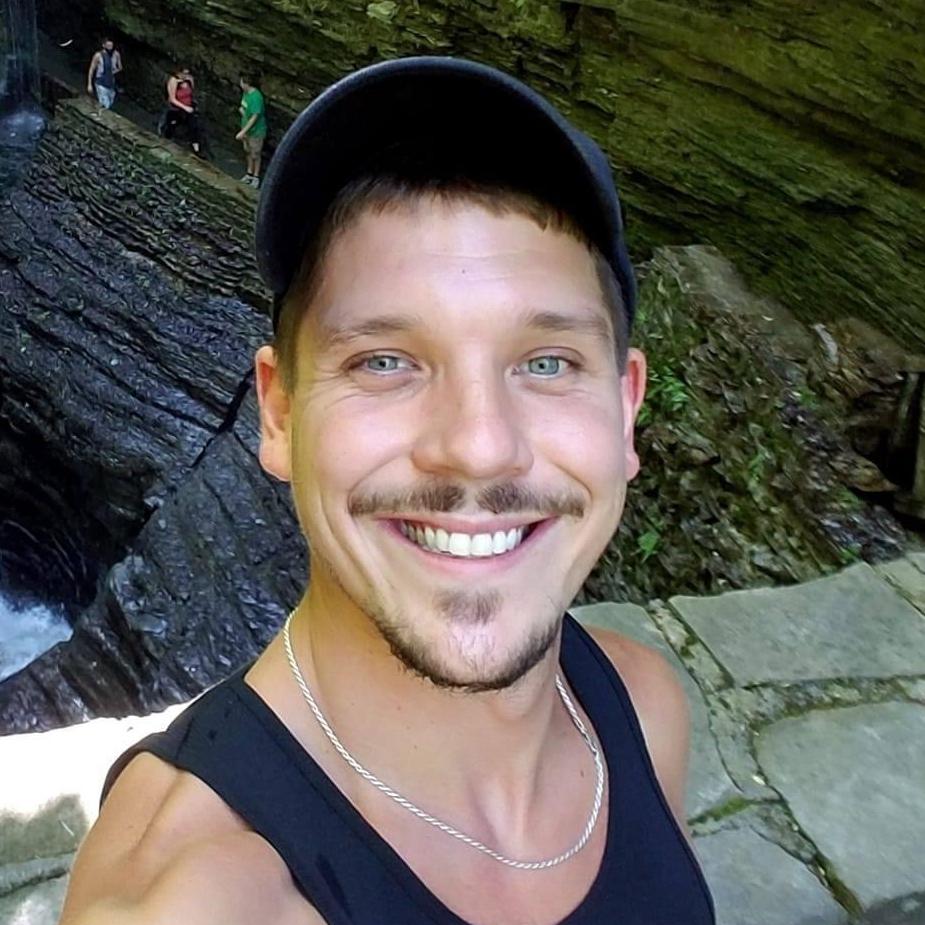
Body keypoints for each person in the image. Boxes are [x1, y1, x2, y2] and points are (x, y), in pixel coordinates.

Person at [60, 58, 715, 924]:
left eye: (547, 363)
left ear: (624, 411)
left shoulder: (641, 707)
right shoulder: (199, 894)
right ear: (279, 413)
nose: (478, 448)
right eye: (383, 361)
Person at [160, 65, 203, 156]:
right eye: (183, 74)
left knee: (194, 126)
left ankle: (196, 148)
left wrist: (190, 106)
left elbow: (191, 93)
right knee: (172, 124)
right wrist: (184, 107)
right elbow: (172, 99)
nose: (185, 76)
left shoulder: (189, 79)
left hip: (188, 106)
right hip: (176, 108)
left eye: (187, 74)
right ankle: (167, 137)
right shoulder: (173, 81)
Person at [236, 72, 267, 188]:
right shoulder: (246, 94)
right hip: (246, 128)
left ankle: (256, 176)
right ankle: (249, 173)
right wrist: (242, 111)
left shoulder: (256, 97)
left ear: (246, 84)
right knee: (248, 151)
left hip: (256, 131)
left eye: (241, 82)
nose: (240, 84)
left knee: (255, 154)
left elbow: (255, 117)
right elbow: (245, 107)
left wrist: (242, 132)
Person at [86, 38, 122, 110]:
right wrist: (89, 84)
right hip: (101, 83)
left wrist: (114, 72)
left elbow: (120, 67)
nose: (110, 48)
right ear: (104, 45)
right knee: (105, 104)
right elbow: (91, 69)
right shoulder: (98, 55)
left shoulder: (116, 54)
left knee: (110, 103)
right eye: (108, 46)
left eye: (111, 46)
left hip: (111, 84)